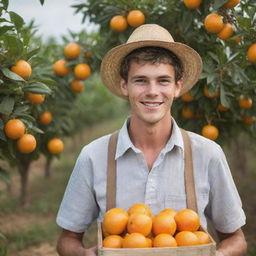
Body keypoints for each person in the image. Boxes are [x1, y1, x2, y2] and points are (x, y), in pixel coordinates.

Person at [56, 24, 247, 256]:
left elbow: (236, 238)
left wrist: (218, 255)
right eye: (141, 80)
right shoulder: (93, 156)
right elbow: (67, 240)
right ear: (124, 85)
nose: (152, 91)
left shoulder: (208, 154)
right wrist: (85, 254)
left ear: (177, 87)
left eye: (163, 81)